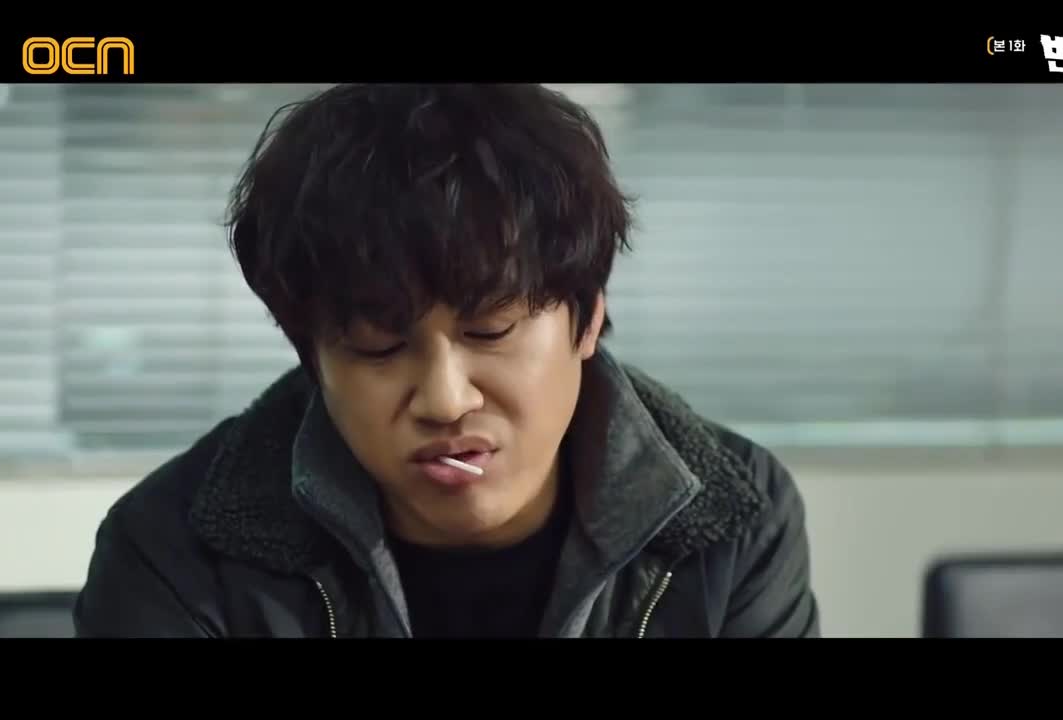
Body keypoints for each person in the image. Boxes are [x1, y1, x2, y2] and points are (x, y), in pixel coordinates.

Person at [73, 83, 820, 638]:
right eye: (378, 345)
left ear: (588, 317)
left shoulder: (731, 519)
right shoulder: (173, 550)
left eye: (491, 331)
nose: (444, 399)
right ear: (312, 357)